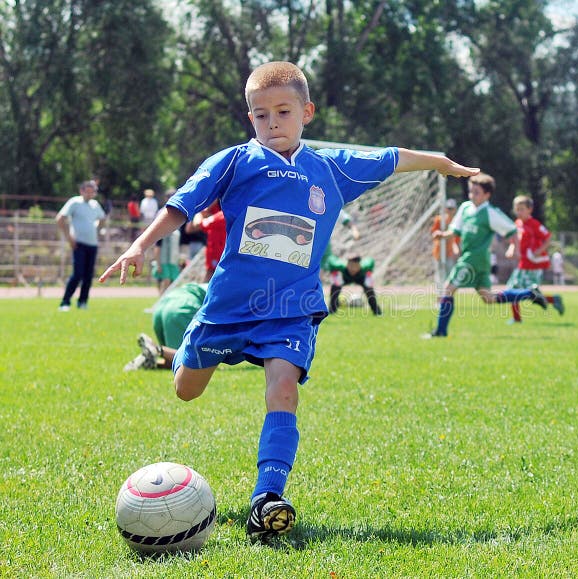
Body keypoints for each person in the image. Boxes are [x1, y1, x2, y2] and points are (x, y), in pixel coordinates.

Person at [99, 61, 479, 544]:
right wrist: (139, 245)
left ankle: (266, 499)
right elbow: (181, 204)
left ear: (307, 112)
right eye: (260, 115)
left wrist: (440, 161)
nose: (272, 122)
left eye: (283, 111)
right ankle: (180, 352)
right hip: (229, 305)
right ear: (250, 117)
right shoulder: (234, 161)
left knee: (283, 390)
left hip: (291, 307)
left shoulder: (330, 168)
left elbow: (389, 157)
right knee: (186, 390)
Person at [427, 173, 547, 338]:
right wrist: (442, 235)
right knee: (489, 298)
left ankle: (440, 331)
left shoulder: (490, 213)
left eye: (476, 192)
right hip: (479, 262)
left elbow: (511, 229)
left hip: (473, 258)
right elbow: (456, 230)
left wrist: (514, 247)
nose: (472, 195)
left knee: (447, 290)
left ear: (487, 195)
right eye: (471, 191)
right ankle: (530, 294)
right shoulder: (466, 208)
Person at [504, 195, 564, 323]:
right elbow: (514, 241)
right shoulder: (517, 224)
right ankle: (518, 318)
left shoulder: (534, 224)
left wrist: (538, 252)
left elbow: (548, 238)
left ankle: (551, 300)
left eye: (521, 209)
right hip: (522, 264)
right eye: (517, 209)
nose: (518, 212)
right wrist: (510, 250)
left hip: (533, 265)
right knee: (513, 290)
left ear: (529, 209)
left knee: (524, 293)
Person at [124, 283, 209, 371]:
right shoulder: (222, 288)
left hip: (163, 304)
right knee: (193, 358)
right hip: (182, 307)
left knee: (170, 360)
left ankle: (145, 360)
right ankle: (157, 350)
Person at [56, 180, 106, 311]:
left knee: (88, 275)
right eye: (87, 191)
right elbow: (60, 218)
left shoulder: (95, 205)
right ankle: (65, 302)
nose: (90, 194)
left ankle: (83, 302)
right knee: (77, 274)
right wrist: (69, 237)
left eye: (92, 191)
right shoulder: (74, 202)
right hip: (78, 244)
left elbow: (103, 218)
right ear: (82, 191)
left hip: (92, 244)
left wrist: (97, 229)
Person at [185, 200, 226, 282]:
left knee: (210, 277)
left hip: (218, 254)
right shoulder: (217, 214)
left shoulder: (222, 216)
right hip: (214, 252)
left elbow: (194, 226)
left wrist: (199, 212)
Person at [430, 198, 460, 285]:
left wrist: (456, 248)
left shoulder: (456, 222)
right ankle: (440, 294)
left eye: (452, 208)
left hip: (449, 252)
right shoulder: (439, 219)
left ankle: (447, 294)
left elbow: (457, 238)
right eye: (448, 208)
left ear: (455, 209)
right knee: (439, 274)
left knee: (449, 274)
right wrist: (440, 234)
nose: (450, 210)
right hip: (439, 252)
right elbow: (433, 233)